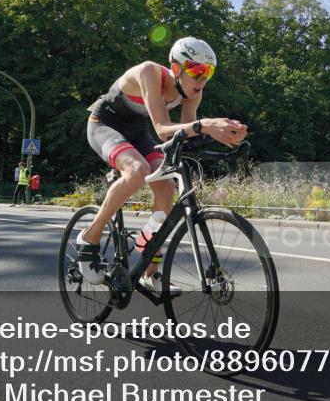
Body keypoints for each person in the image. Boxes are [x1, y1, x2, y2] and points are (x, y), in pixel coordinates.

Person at [78, 37, 246, 293]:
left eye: (209, 72)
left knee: (166, 186)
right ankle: (90, 237)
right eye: (197, 70)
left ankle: (149, 269)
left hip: (137, 131)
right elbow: (163, 129)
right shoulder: (149, 72)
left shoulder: (193, 94)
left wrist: (223, 134)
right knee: (137, 171)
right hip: (105, 125)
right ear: (176, 68)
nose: (203, 79)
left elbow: (185, 135)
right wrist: (206, 125)